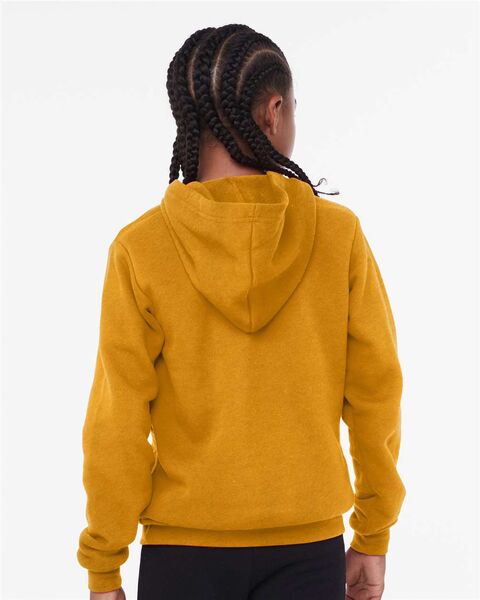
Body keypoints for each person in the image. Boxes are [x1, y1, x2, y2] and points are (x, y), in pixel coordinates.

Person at [76, 24, 406, 600]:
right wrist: (372, 533)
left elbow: (117, 424)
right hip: (309, 551)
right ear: (275, 112)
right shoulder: (338, 236)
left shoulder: (142, 249)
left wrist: (104, 563)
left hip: (181, 555)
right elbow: (377, 393)